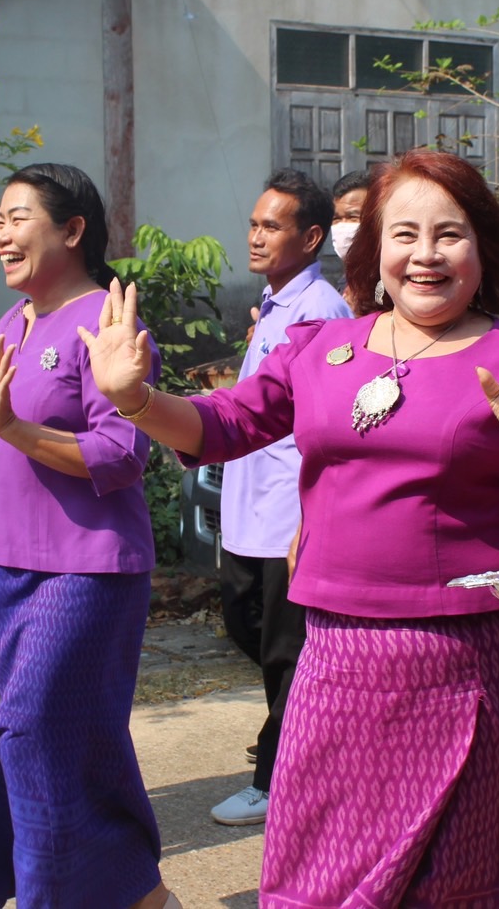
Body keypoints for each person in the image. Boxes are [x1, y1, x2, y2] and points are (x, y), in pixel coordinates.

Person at [78, 149, 499, 906]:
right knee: (318, 879)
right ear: (375, 248)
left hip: (466, 662)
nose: (425, 255)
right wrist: (136, 398)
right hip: (338, 659)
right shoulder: (321, 348)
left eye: (449, 235)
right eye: (405, 234)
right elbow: (224, 424)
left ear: (482, 247)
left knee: (451, 887)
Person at [0, 164, 178, 909]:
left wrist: (14, 425)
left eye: (17, 217)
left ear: (73, 230)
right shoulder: (9, 325)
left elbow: (121, 456)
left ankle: (38, 892)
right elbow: (1, 451)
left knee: (28, 741)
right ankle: (141, 895)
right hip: (13, 568)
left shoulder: (106, 323)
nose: (0, 233)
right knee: (73, 751)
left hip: (87, 573)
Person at [210, 169, 352, 827]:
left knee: (285, 651)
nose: (256, 236)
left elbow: (328, 420)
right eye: (254, 223)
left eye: (273, 226)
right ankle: (319, 728)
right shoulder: (272, 306)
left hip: (288, 514)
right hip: (248, 507)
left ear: (312, 237)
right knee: (248, 626)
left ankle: (278, 777)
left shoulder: (321, 310)